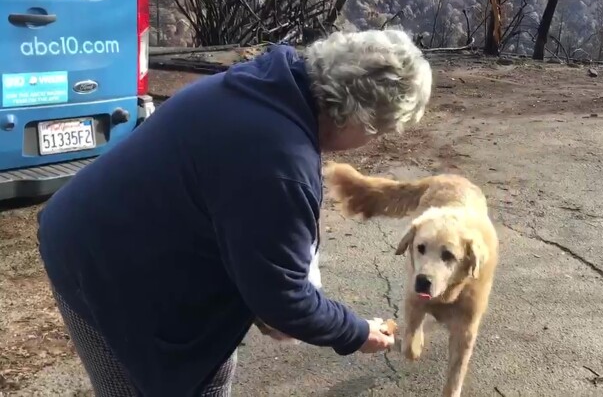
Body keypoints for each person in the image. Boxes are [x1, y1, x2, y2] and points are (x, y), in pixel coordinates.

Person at [37, 29, 433, 396]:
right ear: (359, 117)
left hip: (131, 235)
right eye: (377, 132)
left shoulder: (270, 82)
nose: (369, 142)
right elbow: (284, 300)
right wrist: (357, 332)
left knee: (212, 365)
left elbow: (260, 254)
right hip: (96, 260)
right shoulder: (279, 161)